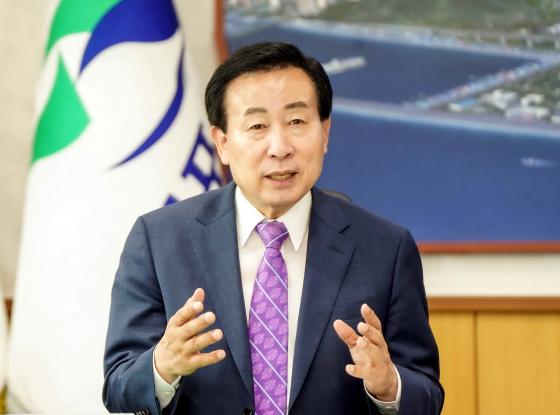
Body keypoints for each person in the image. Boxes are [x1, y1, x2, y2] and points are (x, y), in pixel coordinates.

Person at [103, 41, 443, 415]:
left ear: (325, 132)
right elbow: (119, 387)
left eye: (296, 122)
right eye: (257, 126)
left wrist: (389, 385)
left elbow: (427, 393)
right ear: (222, 143)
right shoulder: (159, 240)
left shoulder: (386, 249)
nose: (279, 147)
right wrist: (162, 367)